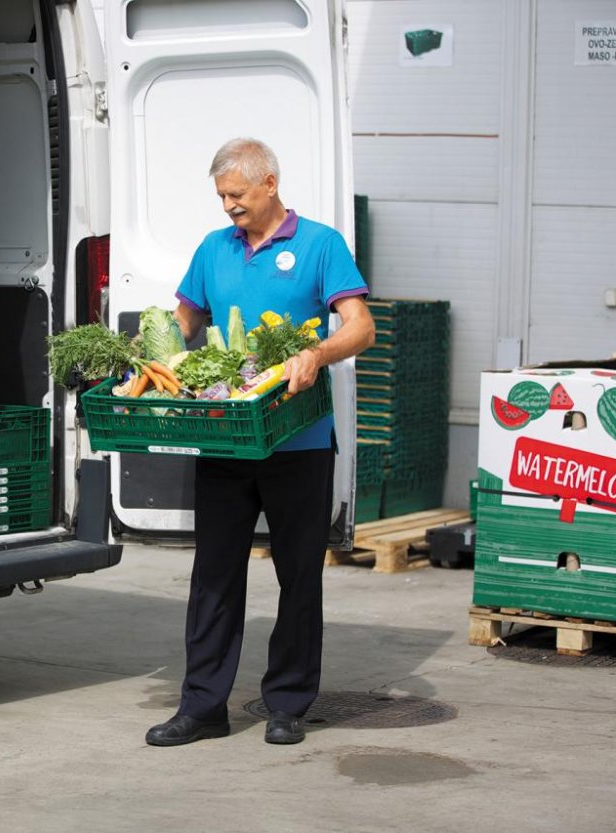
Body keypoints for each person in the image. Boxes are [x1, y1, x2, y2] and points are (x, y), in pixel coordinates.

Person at [145, 138, 375, 747]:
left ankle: (288, 703)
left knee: (299, 574)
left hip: (298, 442)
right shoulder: (213, 249)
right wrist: (148, 353)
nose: (228, 207)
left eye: (238, 195)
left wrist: (316, 353)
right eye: (222, 197)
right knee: (214, 575)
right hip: (224, 439)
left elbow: (361, 326)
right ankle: (202, 707)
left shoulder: (320, 244)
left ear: (269, 183)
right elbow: (185, 319)